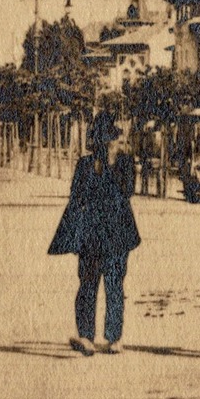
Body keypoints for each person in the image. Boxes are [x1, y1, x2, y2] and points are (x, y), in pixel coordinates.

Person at [48, 112, 140, 357]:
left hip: (94, 234)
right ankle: (111, 338)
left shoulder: (90, 164)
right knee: (112, 284)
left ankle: (88, 335)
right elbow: (128, 192)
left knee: (90, 284)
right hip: (115, 233)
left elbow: (76, 198)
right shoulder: (122, 163)